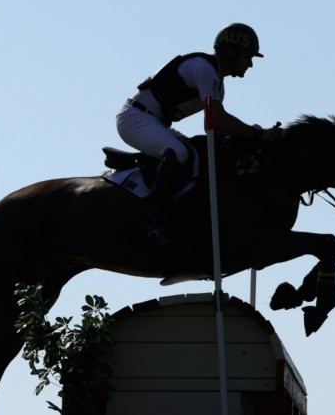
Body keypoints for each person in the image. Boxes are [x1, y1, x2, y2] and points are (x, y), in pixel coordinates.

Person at [116, 23, 281, 248]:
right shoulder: (205, 69)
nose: (250, 64)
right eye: (248, 57)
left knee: (194, 154)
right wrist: (257, 134)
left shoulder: (217, 83)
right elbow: (218, 120)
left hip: (154, 121)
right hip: (134, 118)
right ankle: (155, 218)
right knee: (178, 152)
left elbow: (216, 129)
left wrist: (251, 140)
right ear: (231, 52)